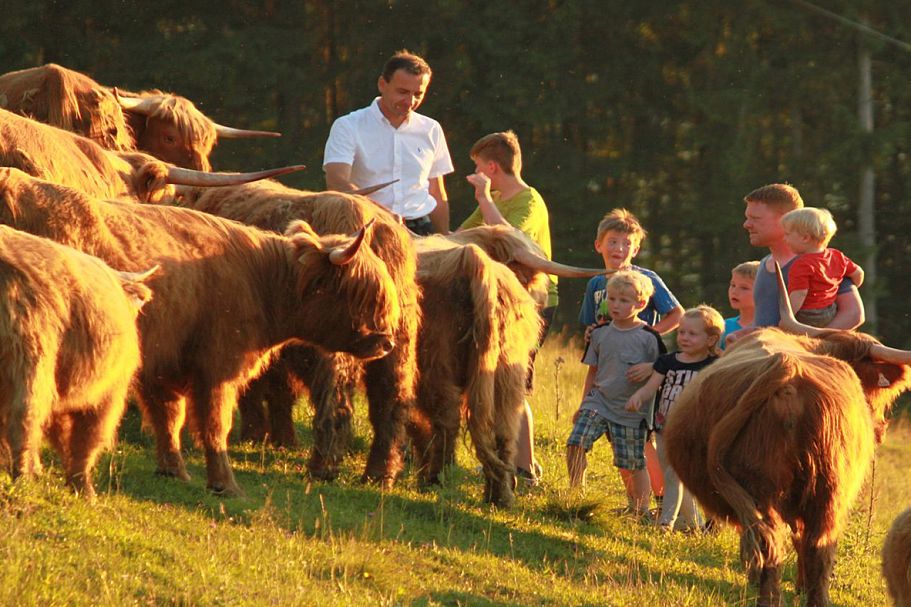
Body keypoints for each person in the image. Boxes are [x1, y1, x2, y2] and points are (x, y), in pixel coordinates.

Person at [461, 130, 553, 484]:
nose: (475, 175)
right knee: (498, 379)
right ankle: (510, 460)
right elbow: (462, 233)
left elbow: (508, 238)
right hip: (499, 301)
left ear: (493, 167)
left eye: (478, 168)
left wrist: (484, 197)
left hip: (533, 304)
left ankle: (524, 468)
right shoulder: (495, 198)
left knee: (516, 384)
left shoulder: (529, 202)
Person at [578, 208, 684, 508]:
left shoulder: (646, 278)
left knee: (639, 434)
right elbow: (590, 323)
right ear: (598, 245)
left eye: (626, 244)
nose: (619, 249)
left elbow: (676, 313)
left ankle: (661, 498)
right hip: (604, 367)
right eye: (612, 242)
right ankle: (635, 502)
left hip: (638, 368)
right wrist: (590, 334)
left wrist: (650, 333)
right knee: (616, 437)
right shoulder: (595, 283)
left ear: (636, 249)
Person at [567, 271, 666, 518]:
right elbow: (593, 371)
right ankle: (575, 493)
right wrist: (583, 403)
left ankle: (640, 510)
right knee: (576, 442)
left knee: (631, 462)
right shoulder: (599, 334)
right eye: (611, 299)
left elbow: (663, 373)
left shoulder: (649, 338)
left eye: (624, 301)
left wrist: (651, 368)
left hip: (631, 411)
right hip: (598, 401)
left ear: (640, 304)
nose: (616, 305)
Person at [323, 50, 454, 235]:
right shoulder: (348, 126)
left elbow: (437, 192)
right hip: (366, 226)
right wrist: (381, 213)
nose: (410, 101)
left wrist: (445, 237)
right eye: (402, 92)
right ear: (382, 84)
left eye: (418, 94)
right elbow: (336, 182)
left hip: (422, 230)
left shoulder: (431, 129)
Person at [626, 305, 723, 531]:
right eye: (681, 332)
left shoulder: (714, 365)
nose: (684, 338)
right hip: (663, 427)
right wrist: (638, 397)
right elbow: (651, 388)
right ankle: (691, 524)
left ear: (711, 340)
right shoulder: (668, 362)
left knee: (681, 476)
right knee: (672, 476)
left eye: (692, 333)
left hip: (694, 431)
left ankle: (671, 523)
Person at [741, 183, 864, 332]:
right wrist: (741, 335)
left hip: (803, 353)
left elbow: (853, 314)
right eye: (747, 218)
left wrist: (814, 344)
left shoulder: (822, 262)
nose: (746, 224)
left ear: (786, 218)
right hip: (768, 353)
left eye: (755, 218)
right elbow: (766, 322)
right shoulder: (764, 264)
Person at [780, 207, 864, 328]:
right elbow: (858, 273)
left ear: (805, 238)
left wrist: (787, 318)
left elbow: (799, 294)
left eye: (787, 234)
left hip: (808, 316)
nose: (784, 239)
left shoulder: (801, 264)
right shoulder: (837, 256)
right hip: (831, 311)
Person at [721, 261, 759, 349]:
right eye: (733, 285)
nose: (734, 292)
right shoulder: (723, 327)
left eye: (744, 288)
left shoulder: (771, 328)